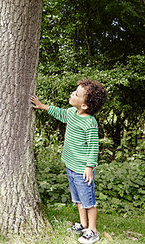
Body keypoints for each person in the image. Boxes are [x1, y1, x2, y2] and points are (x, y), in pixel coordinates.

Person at [31, 79, 107, 244]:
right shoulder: (72, 113)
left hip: (82, 170)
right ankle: (83, 224)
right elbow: (60, 113)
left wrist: (89, 167)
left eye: (76, 94)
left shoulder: (89, 123)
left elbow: (94, 147)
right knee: (79, 199)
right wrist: (42, 106)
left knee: (88, 201)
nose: (72, 94)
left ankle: (93, 231)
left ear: (85, 105)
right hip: (71, 166)